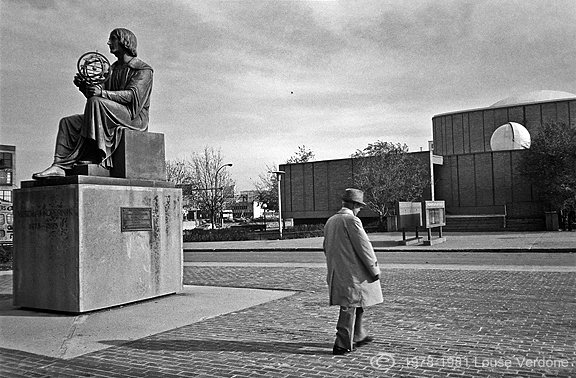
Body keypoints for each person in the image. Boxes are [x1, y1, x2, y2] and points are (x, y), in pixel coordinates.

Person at [32, 28, 153, 179]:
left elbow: (132, 96)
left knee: (97, 102)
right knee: (68, 122)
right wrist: (85, 87)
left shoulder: (142, 69)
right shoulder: (112, 69)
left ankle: (96, 156)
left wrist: (100, 93)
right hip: (110, 112)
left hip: (133, 117)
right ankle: (59, 166)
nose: (109, 42)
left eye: (112, 39)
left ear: (124, 41)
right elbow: (95, 98)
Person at [323, 188, 383, 355]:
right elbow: (365, 248)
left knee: (358, 304)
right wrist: (374, 269)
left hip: (338, 271)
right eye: (359, 206)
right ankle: (342, 343)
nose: (359, 210)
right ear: (354, 205)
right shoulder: (352, 221)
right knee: (350, 306)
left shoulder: (331, 220)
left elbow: (325, 247)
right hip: (353, 273)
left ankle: (358, 334)